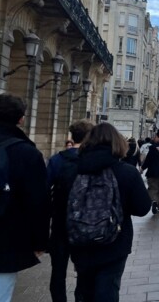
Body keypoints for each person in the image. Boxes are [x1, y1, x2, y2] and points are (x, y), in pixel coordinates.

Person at [68, 122, 151, 302]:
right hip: (114, 242)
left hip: (79, 241)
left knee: (84, 287)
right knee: (108, 289)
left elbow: (60, 206)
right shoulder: (127, 172)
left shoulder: (72, 169)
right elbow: (143, 208)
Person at [0, 93, 49, 302]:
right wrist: (39, 242)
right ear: (21, 119)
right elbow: (37, 203)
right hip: (5, 240)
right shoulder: (26, 153)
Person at [47, 119, 93, 302]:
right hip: (86, 226)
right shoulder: (93, 161)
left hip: (60, 224)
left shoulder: (57, 160)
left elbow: (43, 192)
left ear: (71, 137)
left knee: (57, 272)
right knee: (85, 272)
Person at [141, 128, 159, 214]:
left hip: (153, 171)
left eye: (156, 136)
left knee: (153, 188)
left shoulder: (153, 147)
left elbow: (148, 160)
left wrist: (142, 168)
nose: (154, 137)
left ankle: (154, 201)